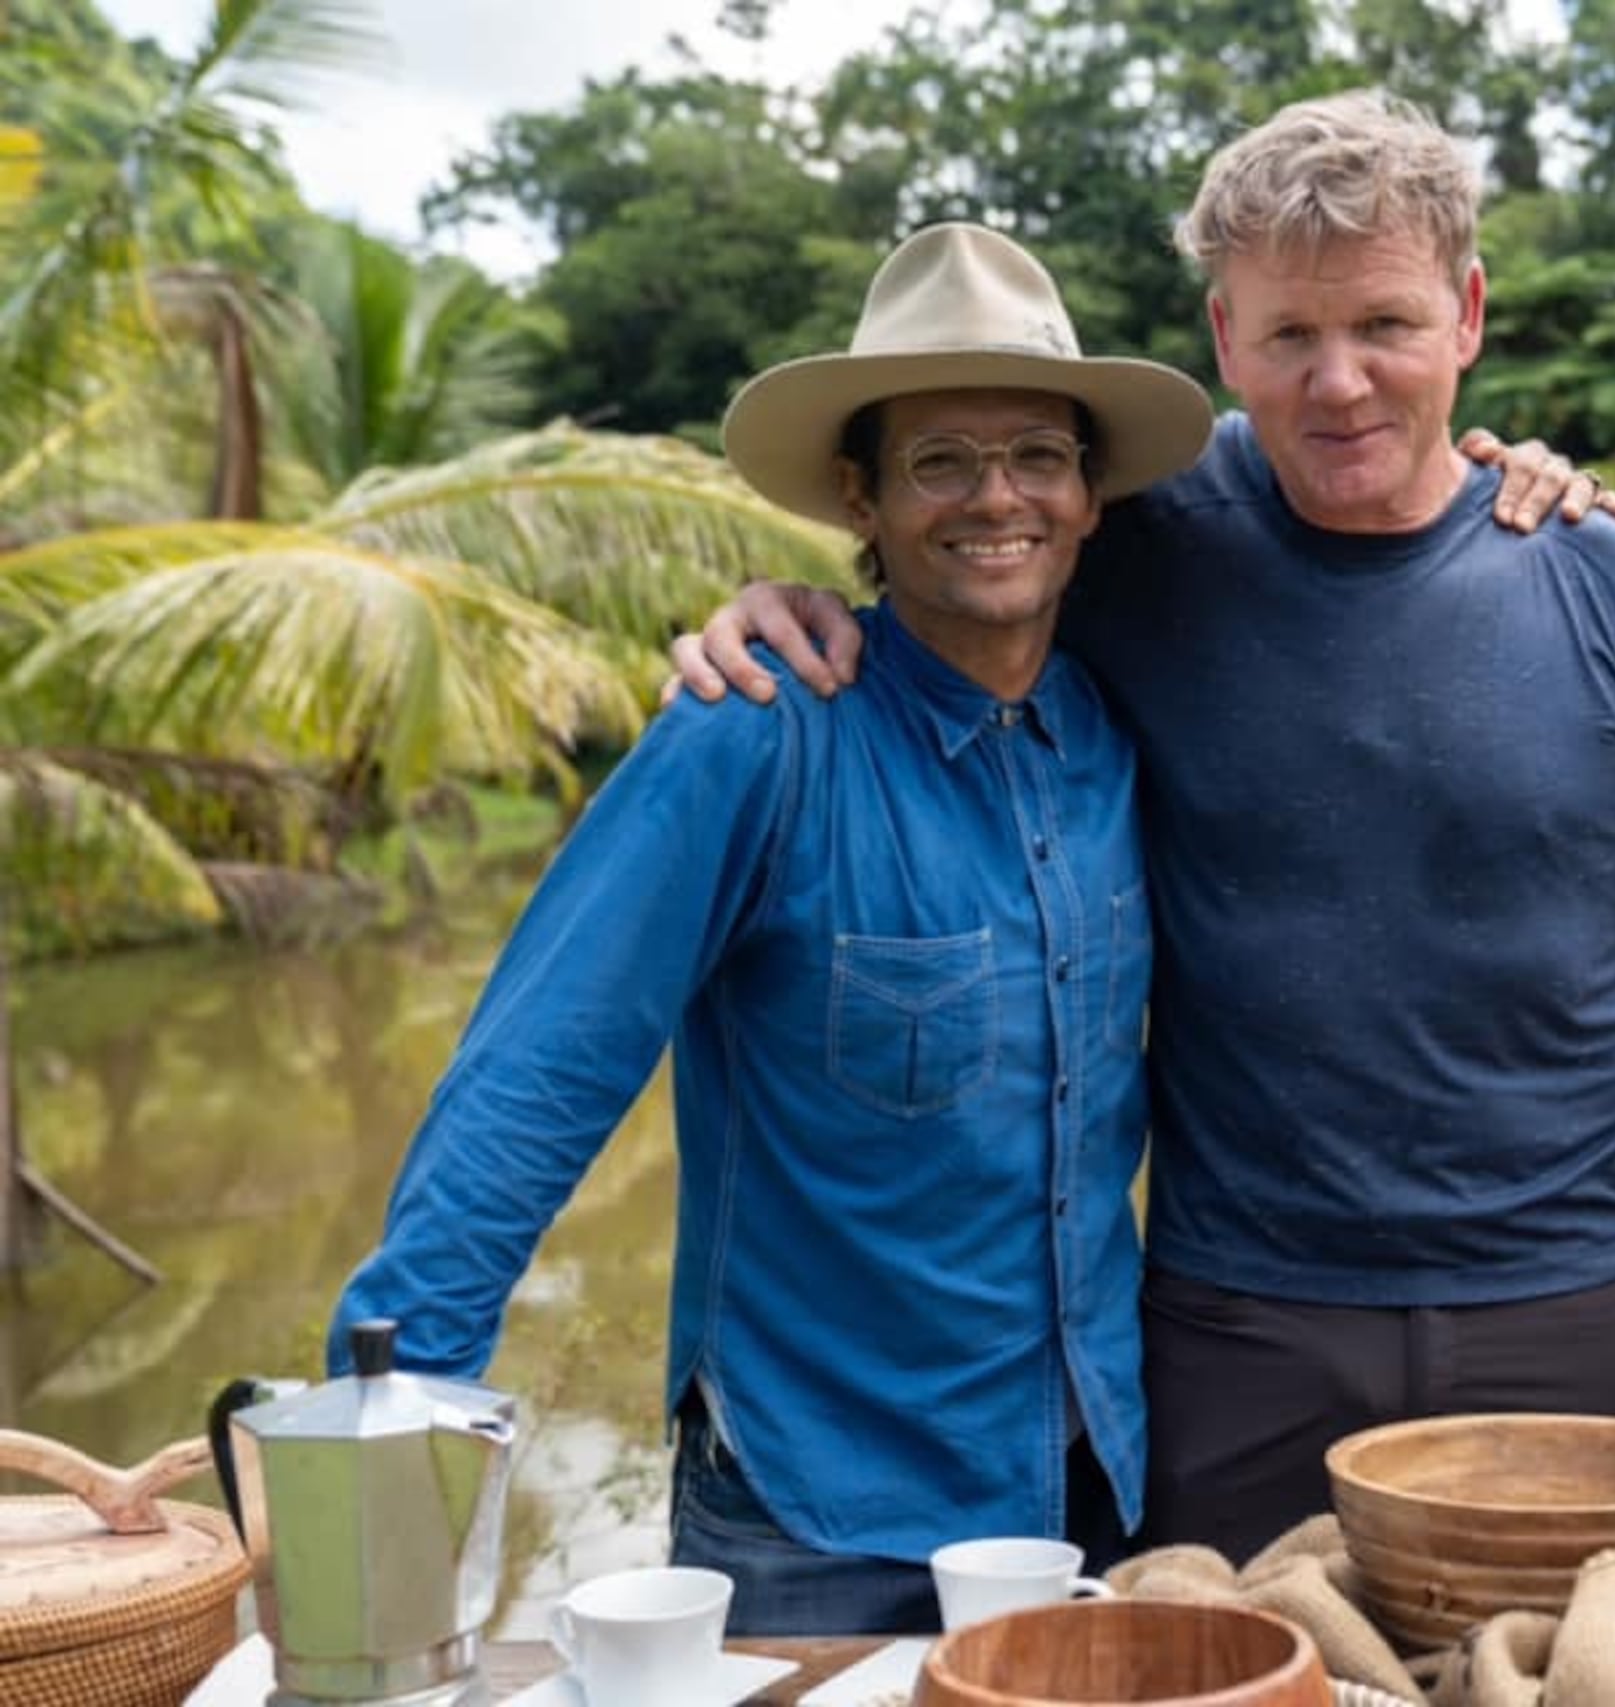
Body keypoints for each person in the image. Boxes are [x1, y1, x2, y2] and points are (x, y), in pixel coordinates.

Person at [675, 90, 1615, 1566]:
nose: (1340, 383)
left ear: (1467, 315)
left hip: (1573, 1310)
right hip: (1234, 1332)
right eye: (1289, 337)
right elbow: (957, 562)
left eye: (1387, 328)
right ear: (1223, 340)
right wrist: (785, 610)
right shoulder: (1138, 545)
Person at [328, 223, 1219, 1633]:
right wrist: (388, 1423)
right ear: (859, 500)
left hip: (1087, 1483)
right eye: (941, 462)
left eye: (1038, 457)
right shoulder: (754, 737)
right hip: (817, 1513)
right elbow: (538, 1075)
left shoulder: (1110, 736)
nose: (998, 498)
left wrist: (1502, 478)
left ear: (1092, 495)